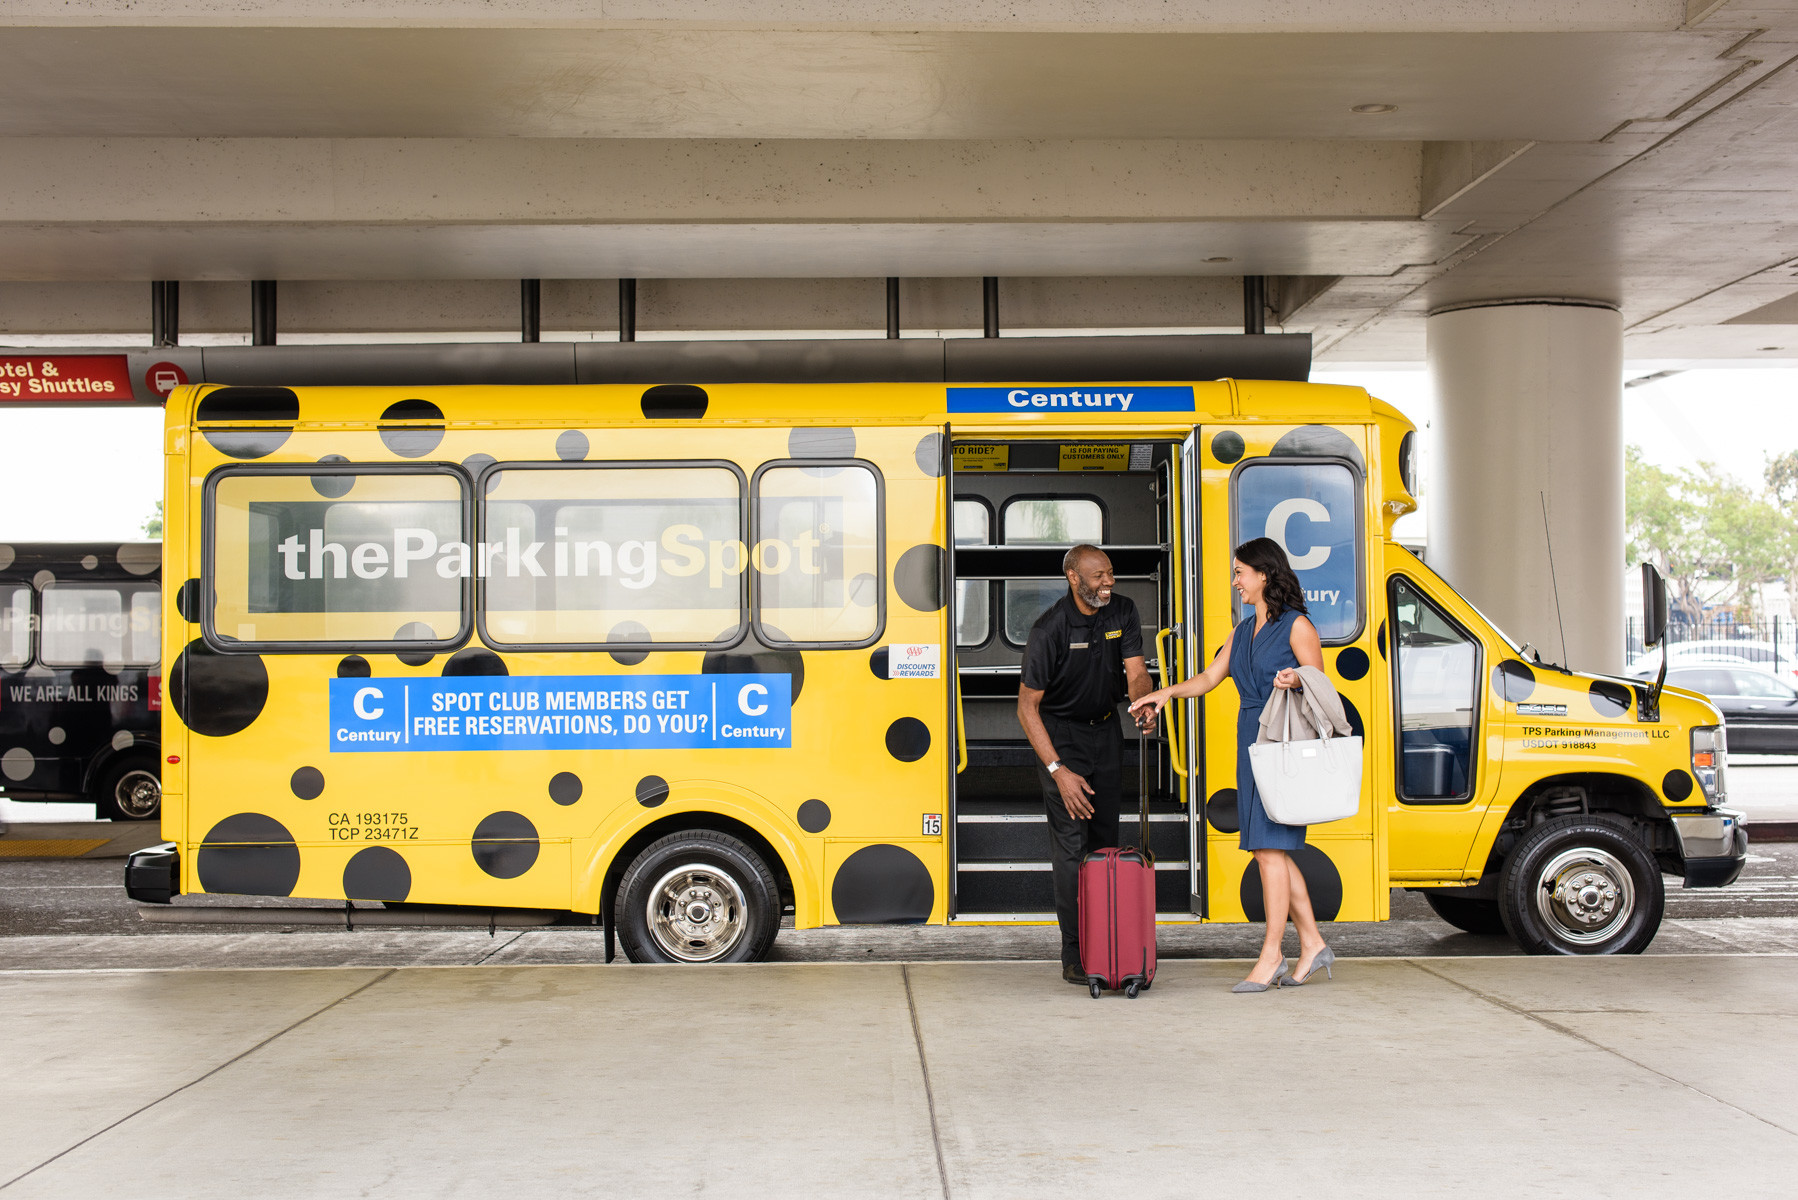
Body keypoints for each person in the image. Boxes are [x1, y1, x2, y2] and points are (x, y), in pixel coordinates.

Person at [1130, 536, 1335, 992]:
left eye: (1241, 572)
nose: (1235, 581)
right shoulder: (1243, 630)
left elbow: (1322, 686)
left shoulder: (1297, 626)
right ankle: (1314, 944)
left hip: (1281, 745)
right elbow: (1208, 678)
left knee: (1268, 849)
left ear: (1264, 575)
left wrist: (1295, 679)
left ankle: (1272, 953)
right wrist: (1165, 694)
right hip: (1252, 744)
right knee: (1271, 848)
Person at [1017, 544, 1156, 985]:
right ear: (1074, 579)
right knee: (1072, 849)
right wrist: (1059, 770)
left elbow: (1135, 670)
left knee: (1104, 843)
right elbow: (1026, 709)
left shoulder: (1123, 611)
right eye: (1099, 577)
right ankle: (1075, 955)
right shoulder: (1049, 629)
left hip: (1106, 732)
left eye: (1111, 574)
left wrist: (1144, 701)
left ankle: (1107, 943)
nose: (1108, 583)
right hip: (1062, 739)